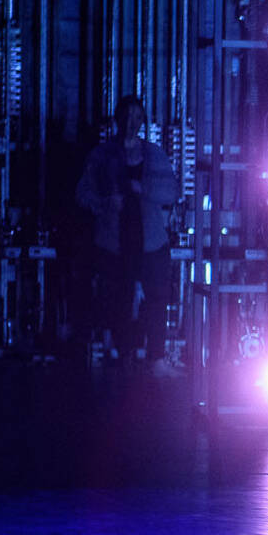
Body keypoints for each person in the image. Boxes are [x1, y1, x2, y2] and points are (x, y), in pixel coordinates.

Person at [74, 94, 182, 377]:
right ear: (117, 120)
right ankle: (123, 354)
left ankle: (156, 358)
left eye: (137, 118)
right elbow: (82, 193)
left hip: (150, 239)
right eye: (127, 117)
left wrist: (141, 189)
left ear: (143, 121)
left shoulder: (154, 154)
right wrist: (104, 203)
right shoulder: (102, 155)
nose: (131, 123)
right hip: (114, 240)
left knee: (157, 297)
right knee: (117, 298)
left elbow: (171, 191)